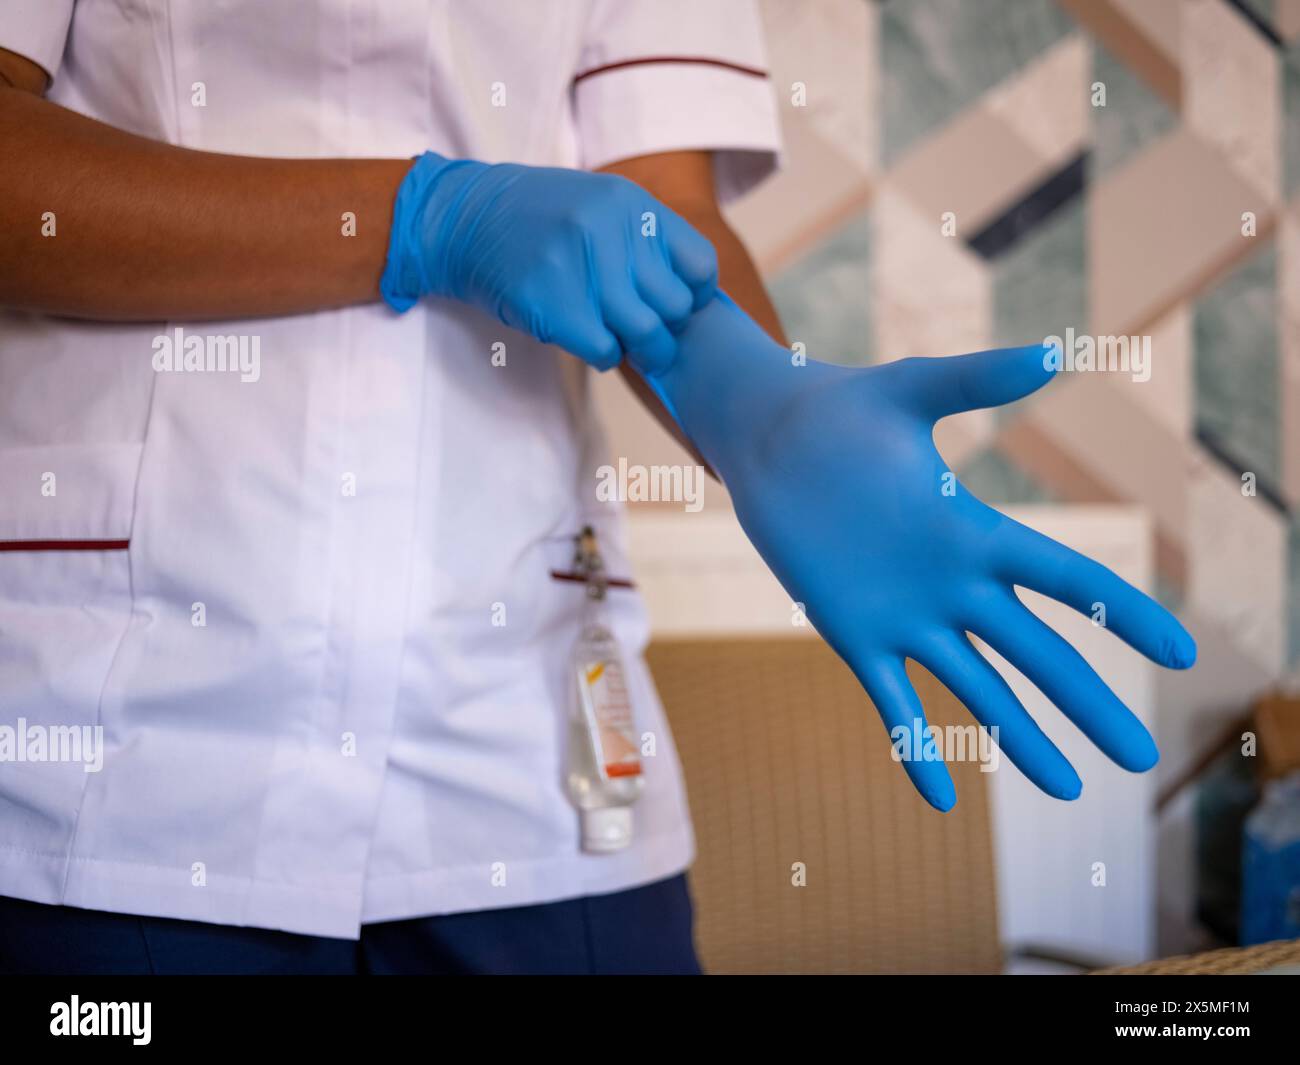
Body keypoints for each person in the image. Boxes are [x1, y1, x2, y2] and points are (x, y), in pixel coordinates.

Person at [0, 1, 1197, 975]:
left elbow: (661, 199)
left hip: (529, 780)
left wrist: (755, 405)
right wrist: (420, 217)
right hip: (120, 766)